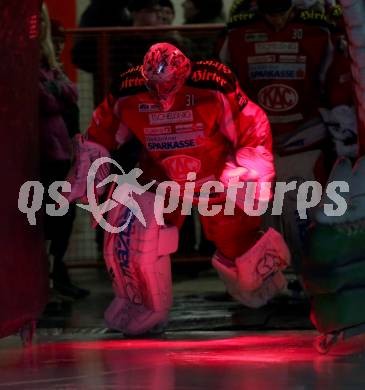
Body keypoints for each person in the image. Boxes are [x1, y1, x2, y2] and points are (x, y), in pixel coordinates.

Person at [66, 42, 290, 335]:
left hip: (216, 176)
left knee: (239, 247)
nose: (163, 97)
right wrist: (88, 175)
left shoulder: (213, 83)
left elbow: (252, 126)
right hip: (163, 177)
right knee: (133, 233)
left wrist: (250, 173)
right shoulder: (127, 91)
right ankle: (140, 304)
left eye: (170, 86)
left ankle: (269, 291)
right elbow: (99, 134)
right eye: (155, 88)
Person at [220, 0, 354, 270]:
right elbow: (222, 87)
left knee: (304, 213)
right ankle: (270, 276)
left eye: (282, 13)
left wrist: (344, 138)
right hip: (255, 144)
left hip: (305, 138)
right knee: (262, 216)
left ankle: (309, 276)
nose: (278, 21)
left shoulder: (320, 28)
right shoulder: (236, 30)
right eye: (272, 13)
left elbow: (337, 83)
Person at [39, 3, 89, 299]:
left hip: (59, 153)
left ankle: (57, 272)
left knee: (62, 215)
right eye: (54, 41)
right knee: (47, 217)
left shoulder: (51, 72)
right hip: (43, 153)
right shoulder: (40, 74)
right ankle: (50, 276)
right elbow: (49, 100)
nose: (58, 47)